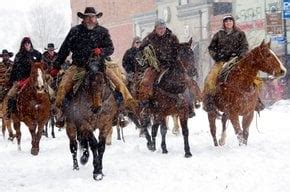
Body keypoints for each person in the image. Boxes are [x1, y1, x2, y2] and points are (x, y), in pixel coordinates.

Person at [49, 7, 137, 117]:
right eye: (88, 17)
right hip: (78, 66)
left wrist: (101, 51)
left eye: (93, 17)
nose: (90, 19)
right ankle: (60, 113)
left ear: (96, 18)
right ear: (83, 18)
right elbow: (64, 50)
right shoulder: (75, 31)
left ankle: (125, 108)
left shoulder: (103, 31)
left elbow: (110, 48)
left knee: (119, 82)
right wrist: (56, 66)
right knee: (63, 86)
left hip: (100, 66)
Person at [203, 15, 265, 113]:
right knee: (211, 78)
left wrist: (241, 55)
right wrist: (218, 56)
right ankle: (210, 101)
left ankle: (257, 100)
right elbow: (211, 48)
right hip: (222, 61)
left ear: (233, 23)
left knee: (255, 77)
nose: (228, 23)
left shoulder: (240, 34)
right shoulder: (218, 34)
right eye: (226, 21)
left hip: (238, 60)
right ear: (224, 23)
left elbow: (245, 46)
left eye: (230, 21)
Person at [138, 18, 179, 101]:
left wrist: (173, 61)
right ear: (155, 28)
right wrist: (145, 64)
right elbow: (140, 52)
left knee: (184, 78)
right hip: (155, 67)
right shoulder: (149, 38)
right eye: (159, 28)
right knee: (146, 81)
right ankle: (145, 102)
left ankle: (187, 99)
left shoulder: (172, 37)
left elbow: (177, 51)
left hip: (170, 65)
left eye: (163, 28)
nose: (162, 30)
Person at [6, 37, 42, 117]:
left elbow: (42, 65)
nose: (27, 45)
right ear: (23, 45)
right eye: (25, 43)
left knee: (50, 91)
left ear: (30, 44)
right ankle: (10, 112)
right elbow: (14, 68)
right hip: (22, 79)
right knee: (11, 94)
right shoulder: (19, 55)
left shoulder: (37, 54)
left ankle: (51, 110)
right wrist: (12, 80)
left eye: (28, 43)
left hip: (35, 78)